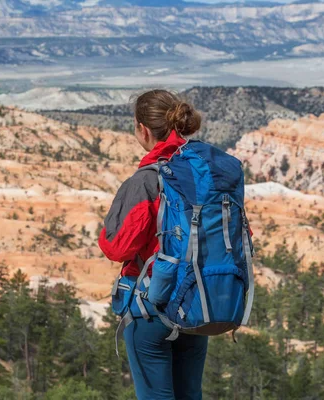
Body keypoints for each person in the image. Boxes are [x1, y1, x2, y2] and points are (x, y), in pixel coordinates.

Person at [98, 89, 208, 400]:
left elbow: (117, 247)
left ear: (142, 129)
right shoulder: (206, 173)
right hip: (198, 304)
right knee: (190, 394)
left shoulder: (146, 180)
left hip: (153, 308)